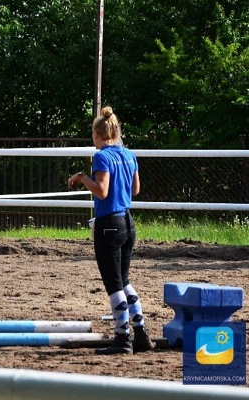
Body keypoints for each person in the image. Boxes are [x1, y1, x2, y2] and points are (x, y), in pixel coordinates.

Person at [67, 106, 154, 355]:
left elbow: (102, 191)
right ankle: (141, 333)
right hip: (128, 223)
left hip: (109, 225)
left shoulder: (102, 157)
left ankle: (122, 337)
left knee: (114, 284)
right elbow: (135, 189)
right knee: (125, 281)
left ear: (97, 134)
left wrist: (83, 178)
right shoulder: (129, 155)